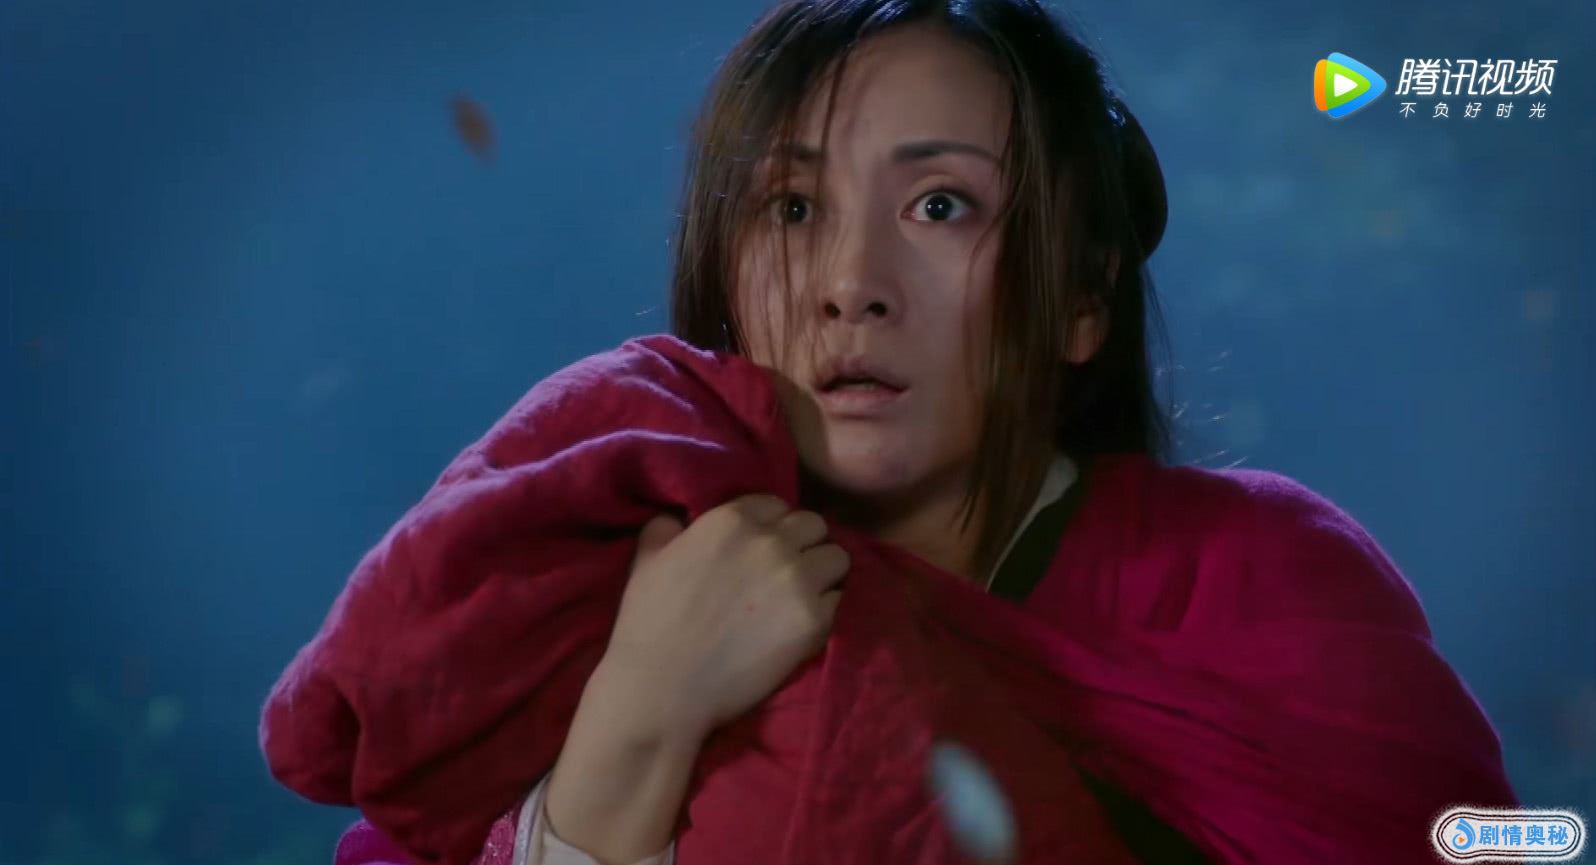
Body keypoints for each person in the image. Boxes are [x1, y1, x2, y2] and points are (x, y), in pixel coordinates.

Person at [274, 1, 1517, 863]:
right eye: (793, 208)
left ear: (1080, 300)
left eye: (940, 205)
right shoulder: (583, 569)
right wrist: (634, 721)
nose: (850, 284)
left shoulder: (1260, 579)